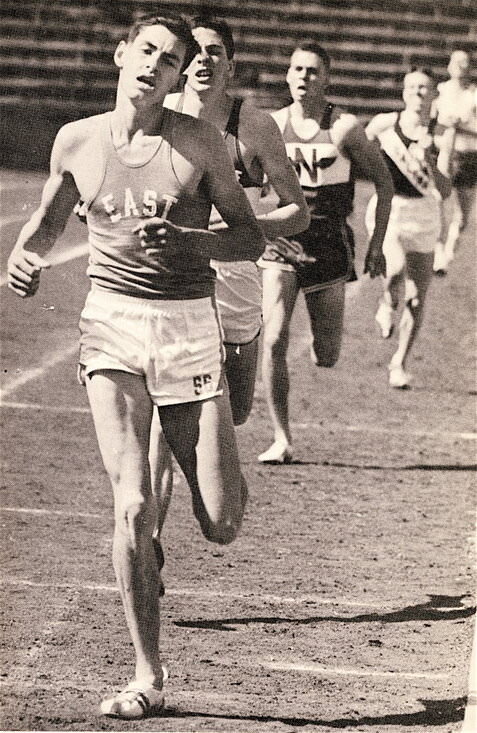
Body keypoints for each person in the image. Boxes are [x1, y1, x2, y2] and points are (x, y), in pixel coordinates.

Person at [6, 13, 297, 719]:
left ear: (176, 77)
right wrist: (24, 257)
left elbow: (247, 237)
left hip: (188, 328)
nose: (154, 66)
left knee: (221, 521)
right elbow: (48, 220)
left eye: (169, 60)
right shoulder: (77, 140)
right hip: (112, 326)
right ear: (122, 54)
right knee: (133, 503)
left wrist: (192, 241)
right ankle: (147, 673)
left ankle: (204, 458)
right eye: (147, 51)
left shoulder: (199, 142)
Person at [148, 15, 310, 556]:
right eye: (194, 50)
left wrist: (244, 225)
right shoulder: (159, 116)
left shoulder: (253, 126)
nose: (203, 60)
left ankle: (218, 486)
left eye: (215, 51)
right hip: (175, 284)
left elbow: (298, 211)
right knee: (165, 419)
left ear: (231, 64)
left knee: (234, 411)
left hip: (238, 281)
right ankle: (149, 540)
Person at [257, 41, 393, 463]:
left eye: (313, 70)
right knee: (273, 339)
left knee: (327, 355)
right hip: (283, 245)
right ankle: (282, 438)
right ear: (287, 76)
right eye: (297, 69)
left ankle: (326, 342)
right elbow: (246, 179)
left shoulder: (344, 128)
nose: (304, 77)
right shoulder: (271, 126)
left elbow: (384, 184)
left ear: (327, 78)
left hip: (329, 248)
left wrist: (376, 244)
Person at [365, 67, 455, 388]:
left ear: (434, 94)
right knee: (394, 270)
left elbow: (445, 189)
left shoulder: (442, 133)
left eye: (424, 88)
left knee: (417, 298)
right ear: (404, 92)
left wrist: (429, 158)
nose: (418, 93)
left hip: (425, 215)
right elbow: (354, 150)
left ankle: (399, 363)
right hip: (390, 209)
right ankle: (387, 302)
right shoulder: (385, 124)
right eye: (412, 87)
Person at [432, 50, 476, 274]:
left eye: (465, 62)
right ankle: (439, 251)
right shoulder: (439, 92)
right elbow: (431, 125)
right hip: (443, 153)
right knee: (437, 202)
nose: (460, 66)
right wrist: (446, 125)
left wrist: (461, 125)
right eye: (456, 61)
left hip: (468, 156)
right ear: (449, 65)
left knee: (463, 214)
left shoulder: (474, 94)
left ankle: (450, 247)